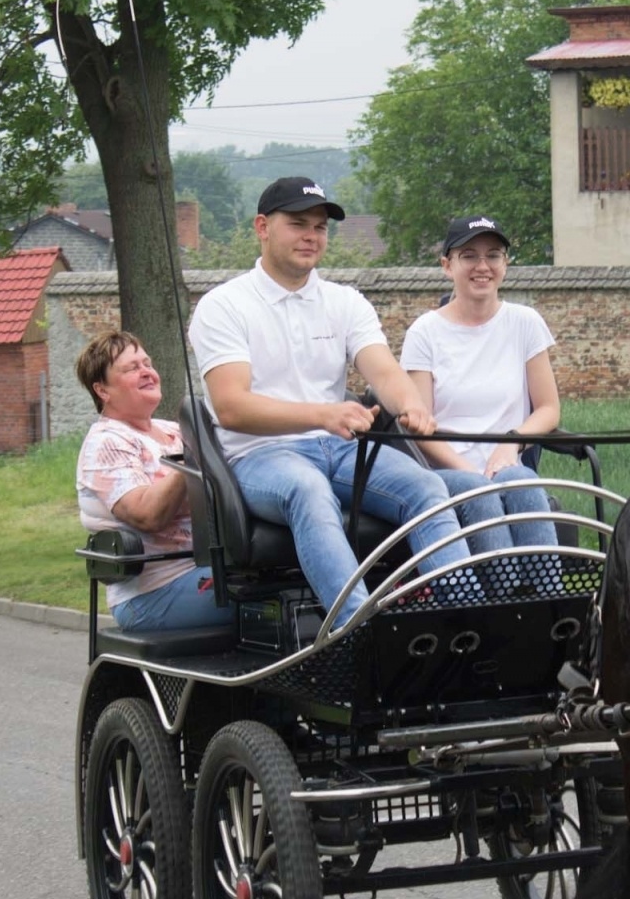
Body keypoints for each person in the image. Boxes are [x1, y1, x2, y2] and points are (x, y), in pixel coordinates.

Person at [187, 176, 472, 629]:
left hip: (338, 450)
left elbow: (383, 370)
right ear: (262, 227)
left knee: (427, 487)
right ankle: (357, 630)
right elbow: (231, 408)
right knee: (308, 490)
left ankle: (462, 620)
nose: (311, 236)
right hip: (260, 456)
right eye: (298, 224)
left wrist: (410, 406)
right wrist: (323, 414)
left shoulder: (344, 302)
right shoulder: (224, 305)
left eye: (320, 227)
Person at [401, 215, 561, 562]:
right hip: (447, 470)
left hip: (507, 464)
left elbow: (548, 409)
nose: (482, 266)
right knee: (478, 492)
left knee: (523, 483)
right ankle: (499, 604)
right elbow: (419, 428)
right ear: (447, 265)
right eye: (469, 255)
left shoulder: (525, 323)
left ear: (505, 264)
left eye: (493, 255)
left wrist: (510, 444)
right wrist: (467, 469)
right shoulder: (424, 333)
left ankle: (549, 600)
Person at [75, 330, 232, 632]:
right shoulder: (106, 443)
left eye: (147, 363)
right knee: (268, 606)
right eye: (132, 368)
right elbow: (147, 514)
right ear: (102, 390)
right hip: (153, 591)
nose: (147, 372)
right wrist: (194, 456)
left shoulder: (174, 430)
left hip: (214, 566)